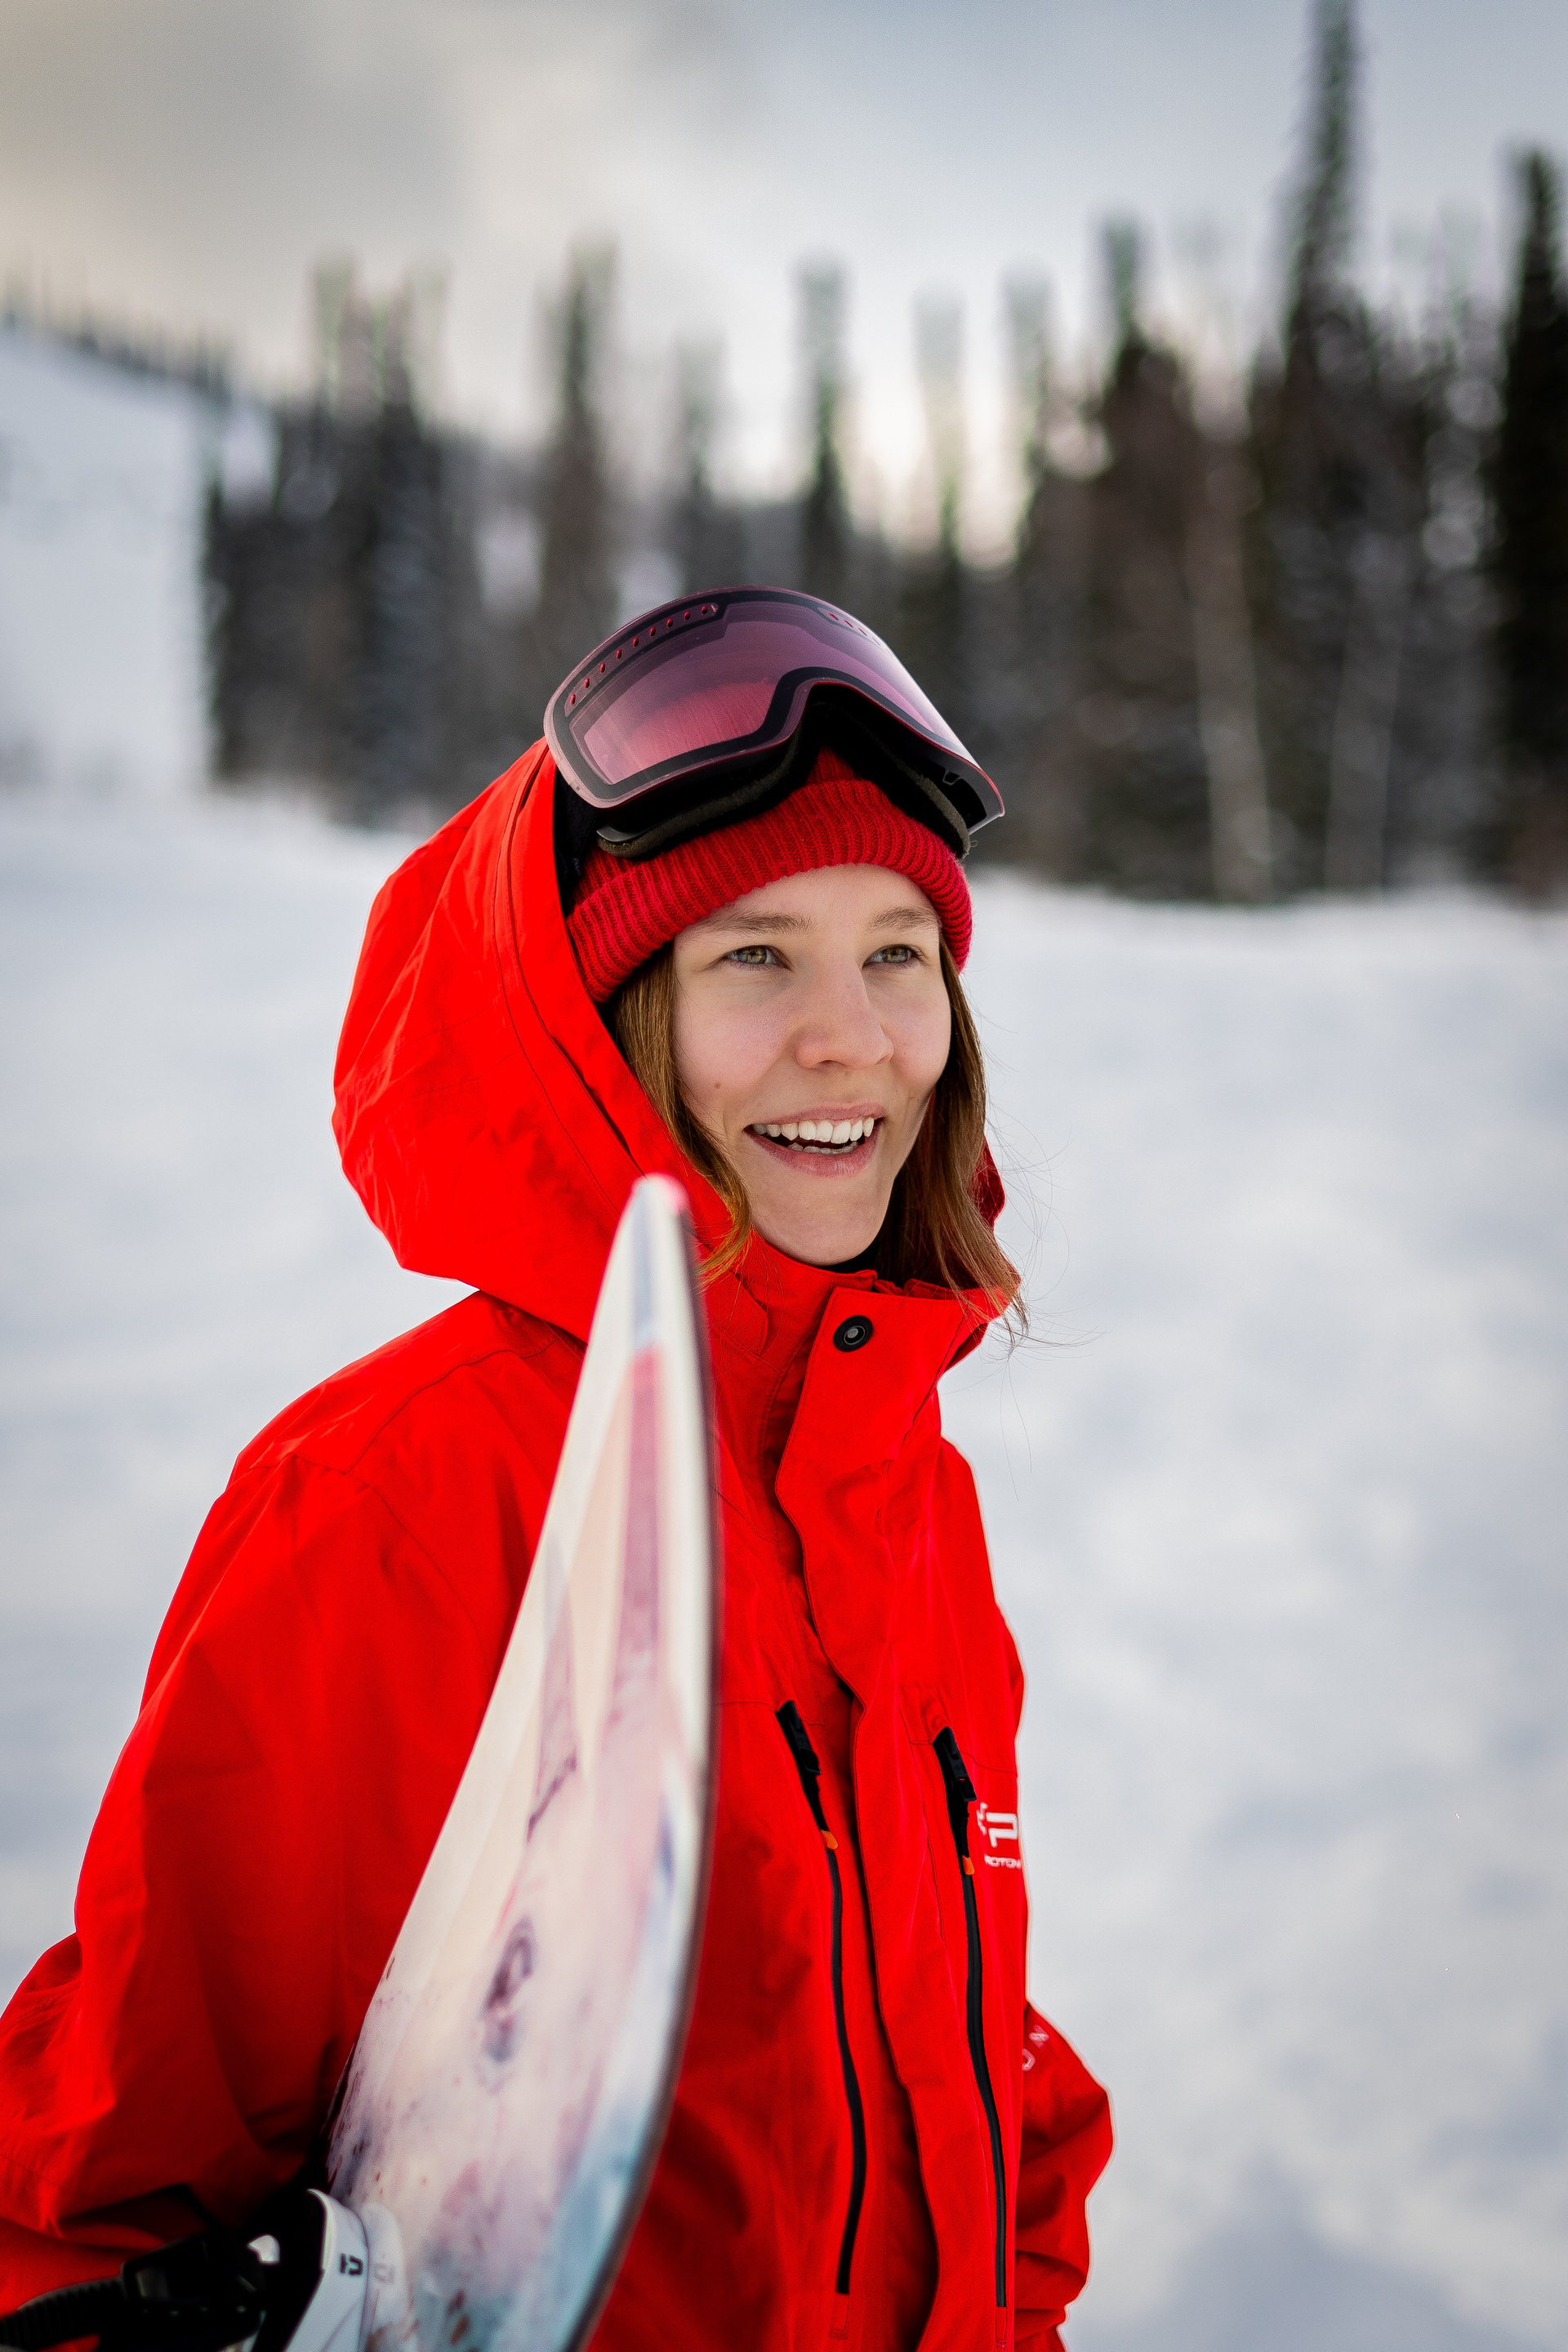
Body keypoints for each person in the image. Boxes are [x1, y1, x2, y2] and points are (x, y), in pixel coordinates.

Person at [0, 590, 1111, 2351]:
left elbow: (960, 2062)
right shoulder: (399, 1500)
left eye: (899, 952)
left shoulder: (897, 1477)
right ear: (606, 1024)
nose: (853, 1036)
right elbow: (103, 2193)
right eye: (756, 957)